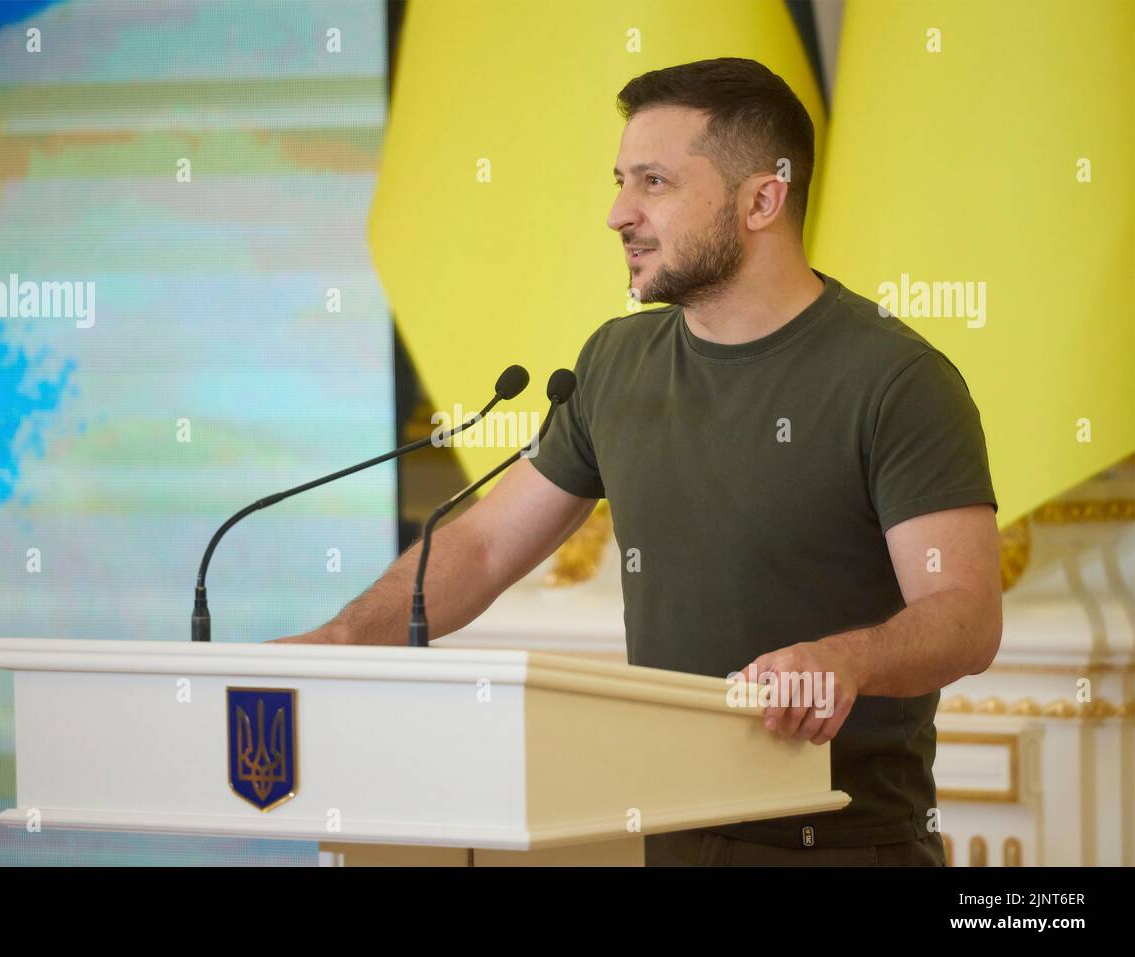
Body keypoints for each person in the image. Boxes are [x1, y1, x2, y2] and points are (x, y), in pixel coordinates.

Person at [280, 57, 1000, 867]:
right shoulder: (615, 362)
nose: (618, 212)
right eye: (621, 180)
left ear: (763, 198)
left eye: (654, 182)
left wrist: (845, 658)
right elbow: (483, 548)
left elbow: (966, 614)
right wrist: (344, 639)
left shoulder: (898, 381)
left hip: (843, 844)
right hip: (661, 832)